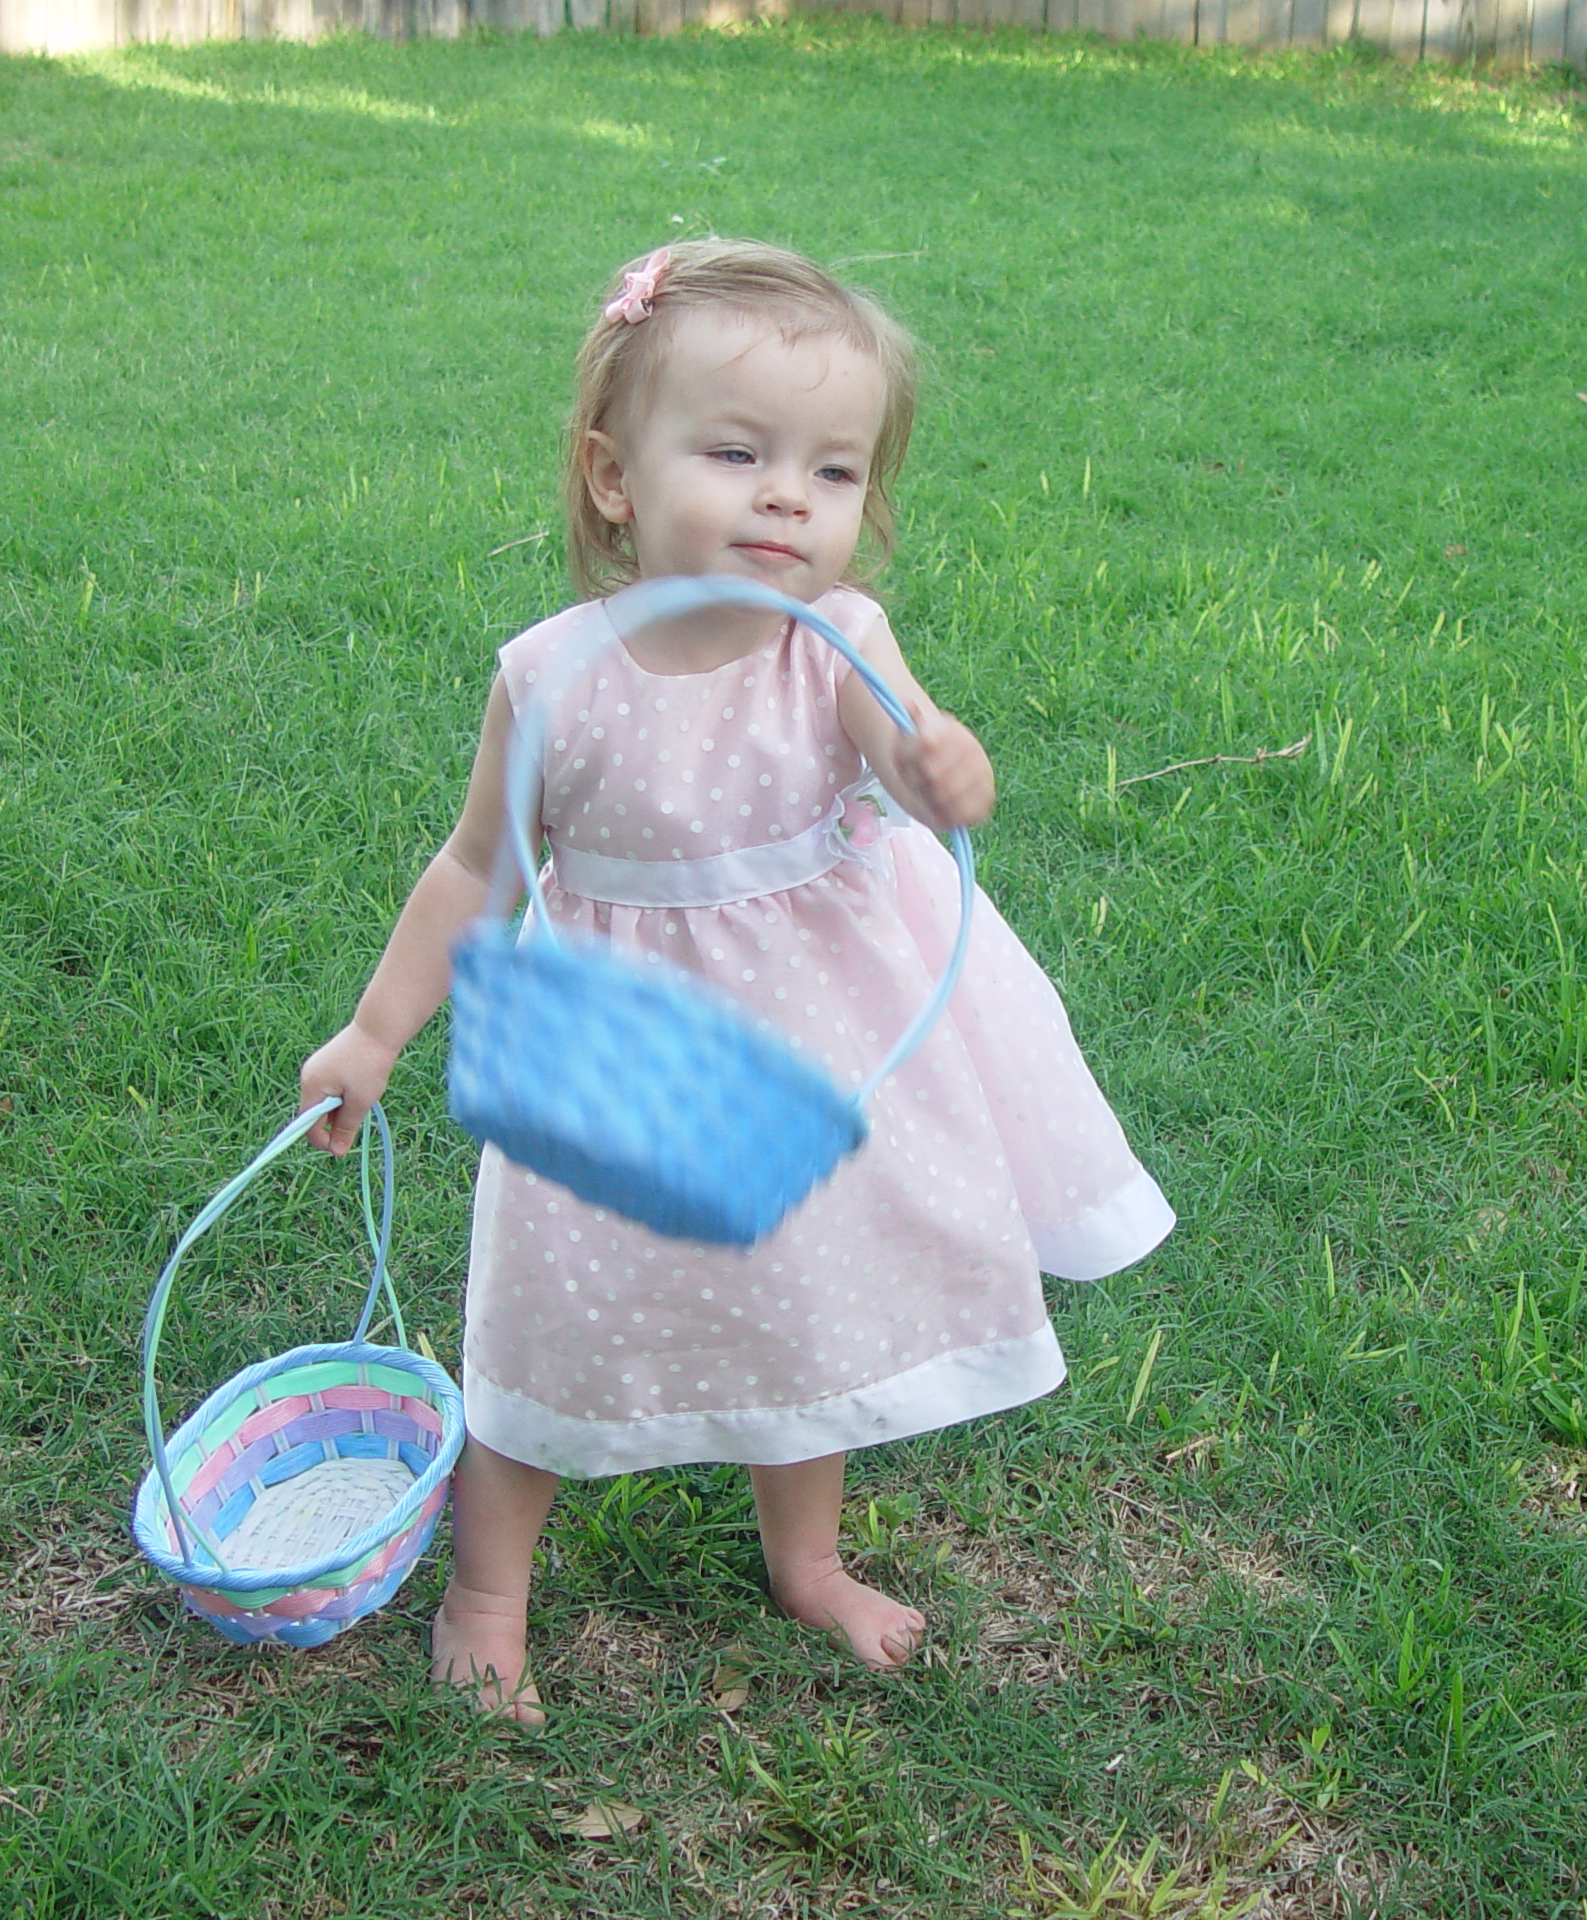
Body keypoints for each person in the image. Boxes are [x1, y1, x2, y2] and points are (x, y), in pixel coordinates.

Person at [298, 239, 1173, 1723]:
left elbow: (904, 757)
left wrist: (942, 766)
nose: (789, 495)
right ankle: (490, 1586)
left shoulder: (836, 639)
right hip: (613, 1045)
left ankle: (807, 1561)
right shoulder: (552, 675)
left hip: (812, 1036)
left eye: (834, 473)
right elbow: (474, 872)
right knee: (549, 1311)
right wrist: (375, 1033)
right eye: (736, 450)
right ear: (613, 478)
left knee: (801, 1299)